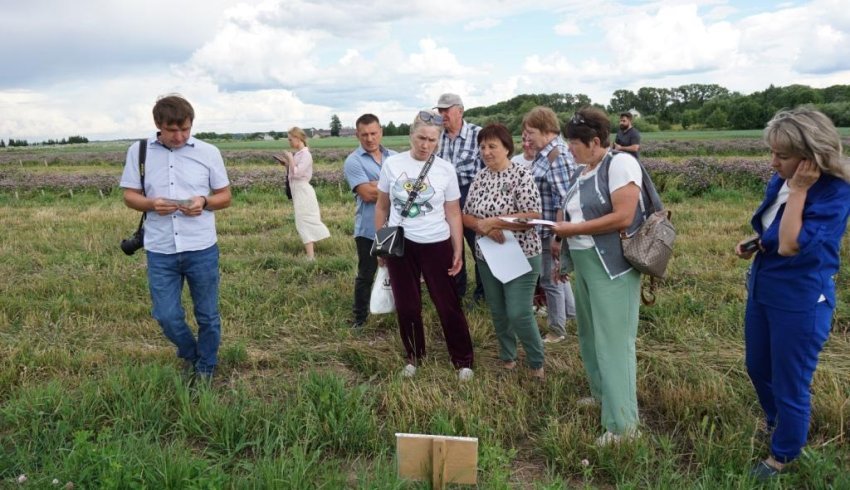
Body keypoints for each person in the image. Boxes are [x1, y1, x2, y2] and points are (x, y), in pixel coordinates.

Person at [734, 108, 850, 479]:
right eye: (772, 153)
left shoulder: (834, 192)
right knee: (758, 366)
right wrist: (757, 241)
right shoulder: (781, 181)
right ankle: (777, 423)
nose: (772, 163)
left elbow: (789, 244)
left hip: (800, 299)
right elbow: (776, 232)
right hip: (765, 287)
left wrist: (799, 190)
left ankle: (784, 455)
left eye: (781, 156)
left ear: (810, 158)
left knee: (790, 380)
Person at [119, 94, 232, 381]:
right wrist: (151, 205)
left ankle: (206, 366)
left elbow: (225, 196)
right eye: (172, 130)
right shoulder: (140, 151)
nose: (180, 136)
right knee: (166, 315)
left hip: (201, 247)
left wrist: (204, 202)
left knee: (207, 315)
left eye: (185, 129)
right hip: (160, 248)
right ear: (158, 124)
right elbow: (129, 196)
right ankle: (191, 353)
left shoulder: (208, 152)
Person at [552, 106, 643, 446]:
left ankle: (623, 426)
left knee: (614, 343)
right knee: (590, 336)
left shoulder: (620, 164)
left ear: (594, 141)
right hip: (587, 263)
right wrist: (561, 239)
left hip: (612, 267)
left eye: (574, 142)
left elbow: (623, 216)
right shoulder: (585, 170)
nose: (569, 148)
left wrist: (571, 228)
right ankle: (602, 393)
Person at [375, 110, 475, 381]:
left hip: (436, 242)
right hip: (401, 244)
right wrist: (381, 246)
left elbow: (453, 212)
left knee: (448, 304)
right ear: (411, 136)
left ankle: (463, 359)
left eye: (432, 140)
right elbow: (382, 206)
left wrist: (457, 249)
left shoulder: (445, 170)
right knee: (407, 305)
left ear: (438, 141)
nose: (425, 145)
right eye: (421, 138)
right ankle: (414, 356)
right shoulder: (392, 165)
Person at [462, 124, 545, 379]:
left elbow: (533, 216)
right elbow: (465, 215)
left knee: (518, 312)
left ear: (507, 148)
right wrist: (481, 227)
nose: (486, 152)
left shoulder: (521, 174)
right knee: (498, 311)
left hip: (522, 255)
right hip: (487, 256)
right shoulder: (480, 177)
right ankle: (507, 358)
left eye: (492, 146)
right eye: (483, 147)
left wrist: (497, 222)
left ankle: (536, 362)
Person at [522, 106, 577, 343]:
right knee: (559, 274)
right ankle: (572, 315)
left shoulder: (557, 155)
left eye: (531, 132)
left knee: (550, 279)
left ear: (546, 130)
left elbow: (563, 200)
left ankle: (557, 329)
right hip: (544, 228)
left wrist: (558, 237)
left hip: (550, 230)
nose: (528, 138)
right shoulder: (546, 153)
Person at [343, 114, 397, 329]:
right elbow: (367, 194)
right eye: (364, 134)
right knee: (367, 273)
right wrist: (391, 187)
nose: (370, 138)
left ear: (381, 132)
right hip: (368, 229)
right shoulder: (353, 161)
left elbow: (405, 187)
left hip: (394, 226)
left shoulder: (393, 157)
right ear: (357, 135)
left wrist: (378, 185)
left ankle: (396, 309)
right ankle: (360, 318)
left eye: (373, 133)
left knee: (398, 270)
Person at [434, 93, 486, 305]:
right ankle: (456, 291)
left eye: (447, 110)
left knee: (480, 248)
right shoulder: (437, 137)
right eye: (440, 110)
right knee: (451, 248)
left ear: (460, 111)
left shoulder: (478, 134)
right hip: (445, 200)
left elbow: (489, 168)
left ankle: (482, 294)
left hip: (472, 197)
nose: (442, 114)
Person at [279, 127, 330, 260]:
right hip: (298, 191)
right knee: (303, 220)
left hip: (303, 191)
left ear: (298, 138)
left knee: (303, 221)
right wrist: (286, 164)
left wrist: (290, 159)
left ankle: (311, 257)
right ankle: (311, 253)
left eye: (290, 139)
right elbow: (293, 171)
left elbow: (298, 173)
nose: (289, 142)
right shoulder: (299, 154)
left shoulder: (306, 155)